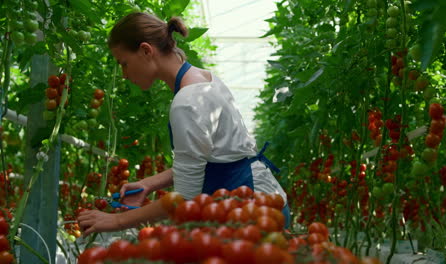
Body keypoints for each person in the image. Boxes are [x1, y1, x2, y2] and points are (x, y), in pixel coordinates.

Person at [78, 12, 289, 236]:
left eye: (124, 63)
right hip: (263, 203)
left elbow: (184, 198)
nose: (124, 74)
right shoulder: (206, 78)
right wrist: (149, 183)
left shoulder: (187, 102)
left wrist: (117, 221)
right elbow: (209, 158)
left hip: (251, 215)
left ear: (146, 51)